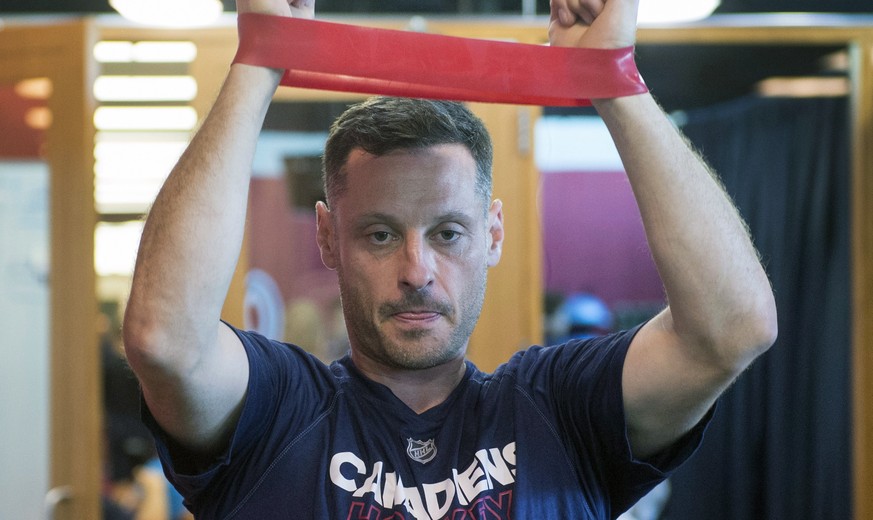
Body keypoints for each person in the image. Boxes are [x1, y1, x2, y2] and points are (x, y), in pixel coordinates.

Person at [121, 0, 778, 518]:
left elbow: (732, 329)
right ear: (327, 237)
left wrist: (615, 83)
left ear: (492, 234)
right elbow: (166, 340)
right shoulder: (278, 413)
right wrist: (256, 63)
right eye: (380, 235)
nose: (415, 270)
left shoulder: (558, 409)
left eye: (447, 233)